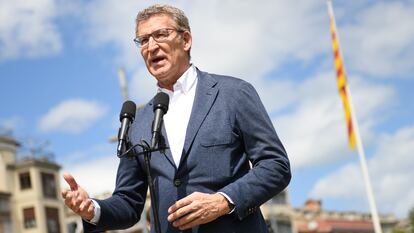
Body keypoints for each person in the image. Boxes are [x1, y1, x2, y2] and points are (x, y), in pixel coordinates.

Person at [61, 4, 291, 233]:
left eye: (160, 35)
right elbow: (129, 202)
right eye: (143, 40)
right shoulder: (138, 122)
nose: (151, 46)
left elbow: (275, 166)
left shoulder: (233, 93)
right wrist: (92, 209)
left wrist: (223, 201)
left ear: (186, 40)